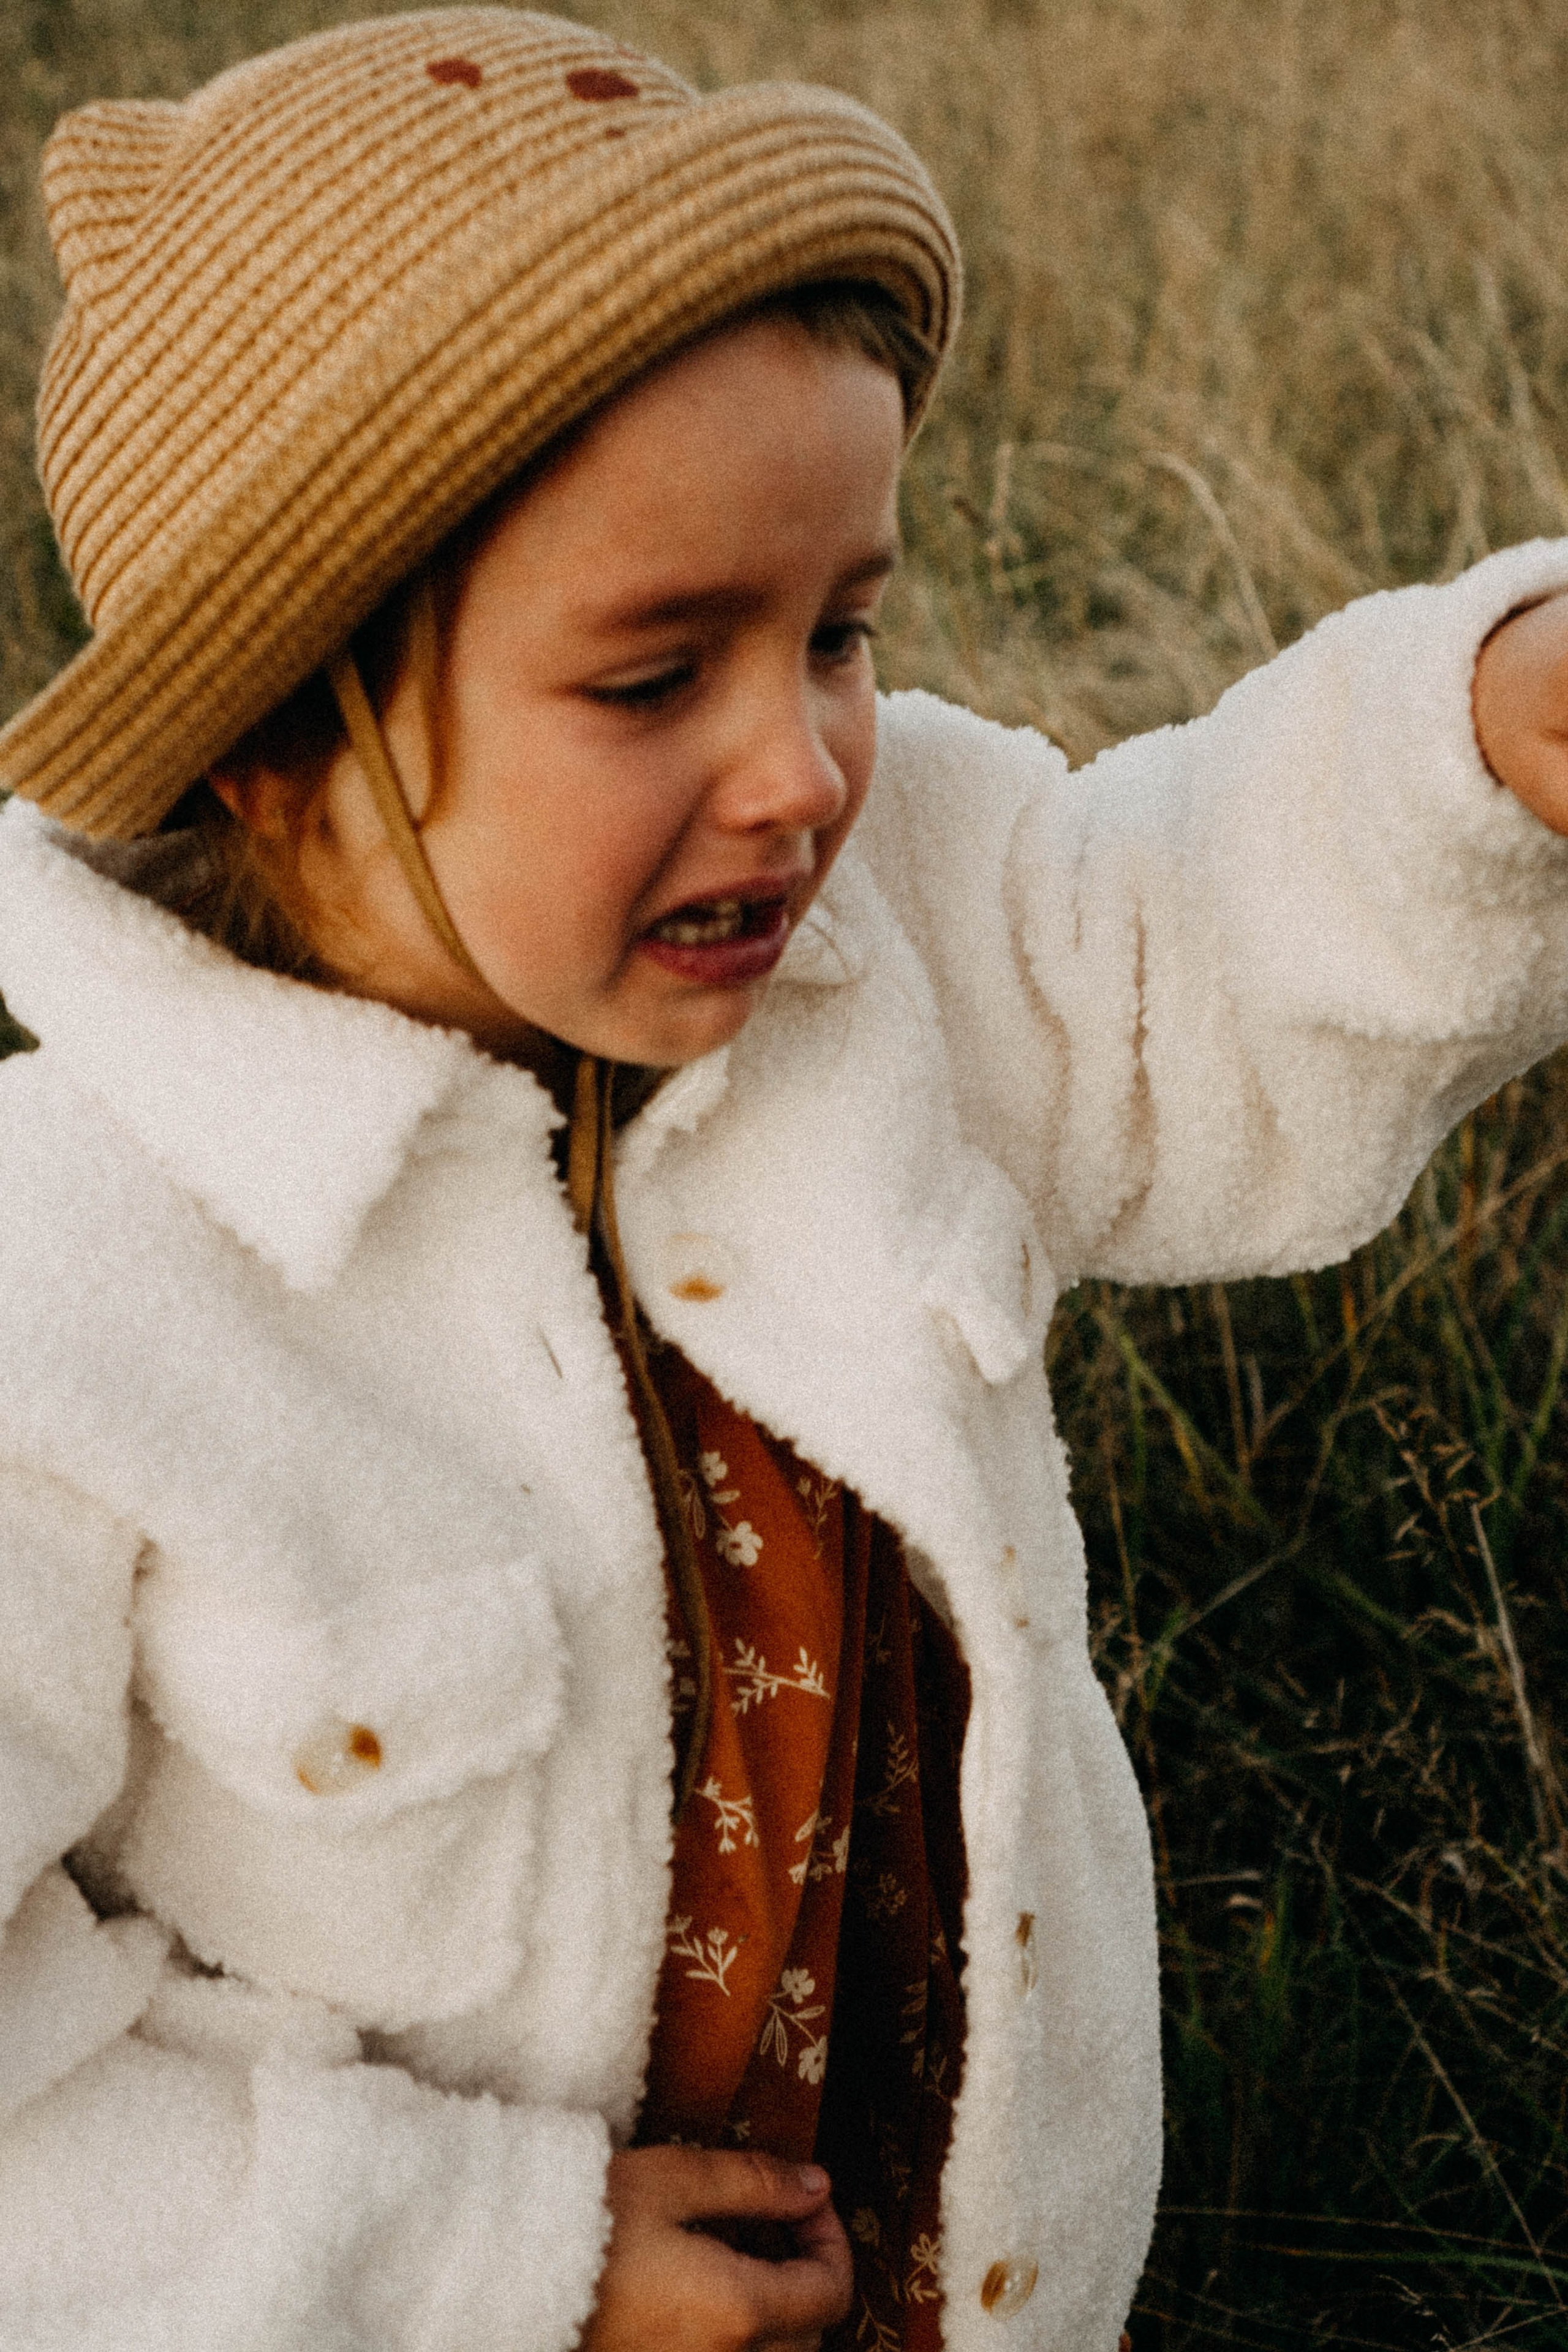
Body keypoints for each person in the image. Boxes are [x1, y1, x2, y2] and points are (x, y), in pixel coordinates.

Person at [3, 9, 1568, 2349]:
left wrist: (1476, 740)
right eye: (654, 680)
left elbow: (1167, 946)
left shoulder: (878, 943)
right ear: (274, 737)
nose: (803, 770)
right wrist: (486, 2266)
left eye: (836, 631)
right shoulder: (81, 1285)